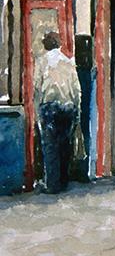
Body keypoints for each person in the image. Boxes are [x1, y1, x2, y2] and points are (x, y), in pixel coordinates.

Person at [33, 31, 81, 194]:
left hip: (50, 107)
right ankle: (64, 181)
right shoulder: (68, 62)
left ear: (45, 45)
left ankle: (53, 185)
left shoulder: (41, 62)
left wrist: (37, 110)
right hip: (67, 107)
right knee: (65, 145)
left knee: (50, 147)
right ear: (59, 44)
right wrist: (77, 110)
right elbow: (76, 89)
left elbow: (37, 88)